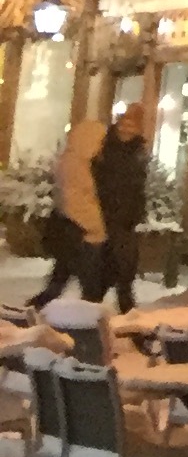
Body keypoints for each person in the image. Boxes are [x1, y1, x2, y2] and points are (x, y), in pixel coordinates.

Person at [25, 111, 110, 305]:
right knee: (90, 286)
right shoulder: (76, 165)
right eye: (100, 140)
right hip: (82, 232)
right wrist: (97, 227)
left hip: (76, 230)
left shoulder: (76, 161)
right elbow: (75, 201)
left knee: (61, 280)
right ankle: (87, 323)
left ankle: (34, 310)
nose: (102, 145)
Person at [89, 104, 150, 309]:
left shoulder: (138, 151)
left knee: (121, 266)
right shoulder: (106, 147)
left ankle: (100, 305)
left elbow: (137, 186)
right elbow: (99, 180)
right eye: (124, 124)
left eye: (133, 126)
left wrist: (137, 210)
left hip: (126, 218)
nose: (127, 130)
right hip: (106, 213)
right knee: (115, 265)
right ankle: (117, 308)